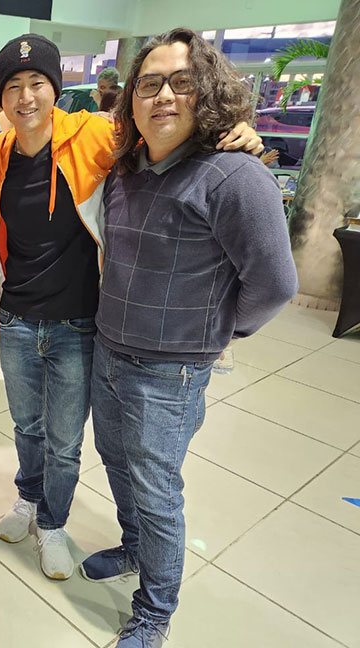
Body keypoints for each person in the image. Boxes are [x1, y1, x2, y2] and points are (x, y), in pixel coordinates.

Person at [0, 35, 263, 582]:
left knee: (65, 440)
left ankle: (54, 524)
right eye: (13, 87)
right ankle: (28, 501)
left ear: (56, 90)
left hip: (80, 323)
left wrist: (239, 132)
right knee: (26, 427)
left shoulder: (98, 136)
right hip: (15, 321)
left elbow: (169, 131)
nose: (26, 97)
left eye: (37, 84)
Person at [81, 28, 297, 647]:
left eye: (182, 82)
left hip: (169, 372)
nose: (164, 96)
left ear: (207, 93)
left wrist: (222, 332)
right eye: (150, 84)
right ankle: (131, 547)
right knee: (117, 462)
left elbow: (276, 282)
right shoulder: (127, 169)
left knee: (157, 489)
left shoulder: (233, 176)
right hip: (110, 349)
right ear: (132, 99)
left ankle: (154, 612)